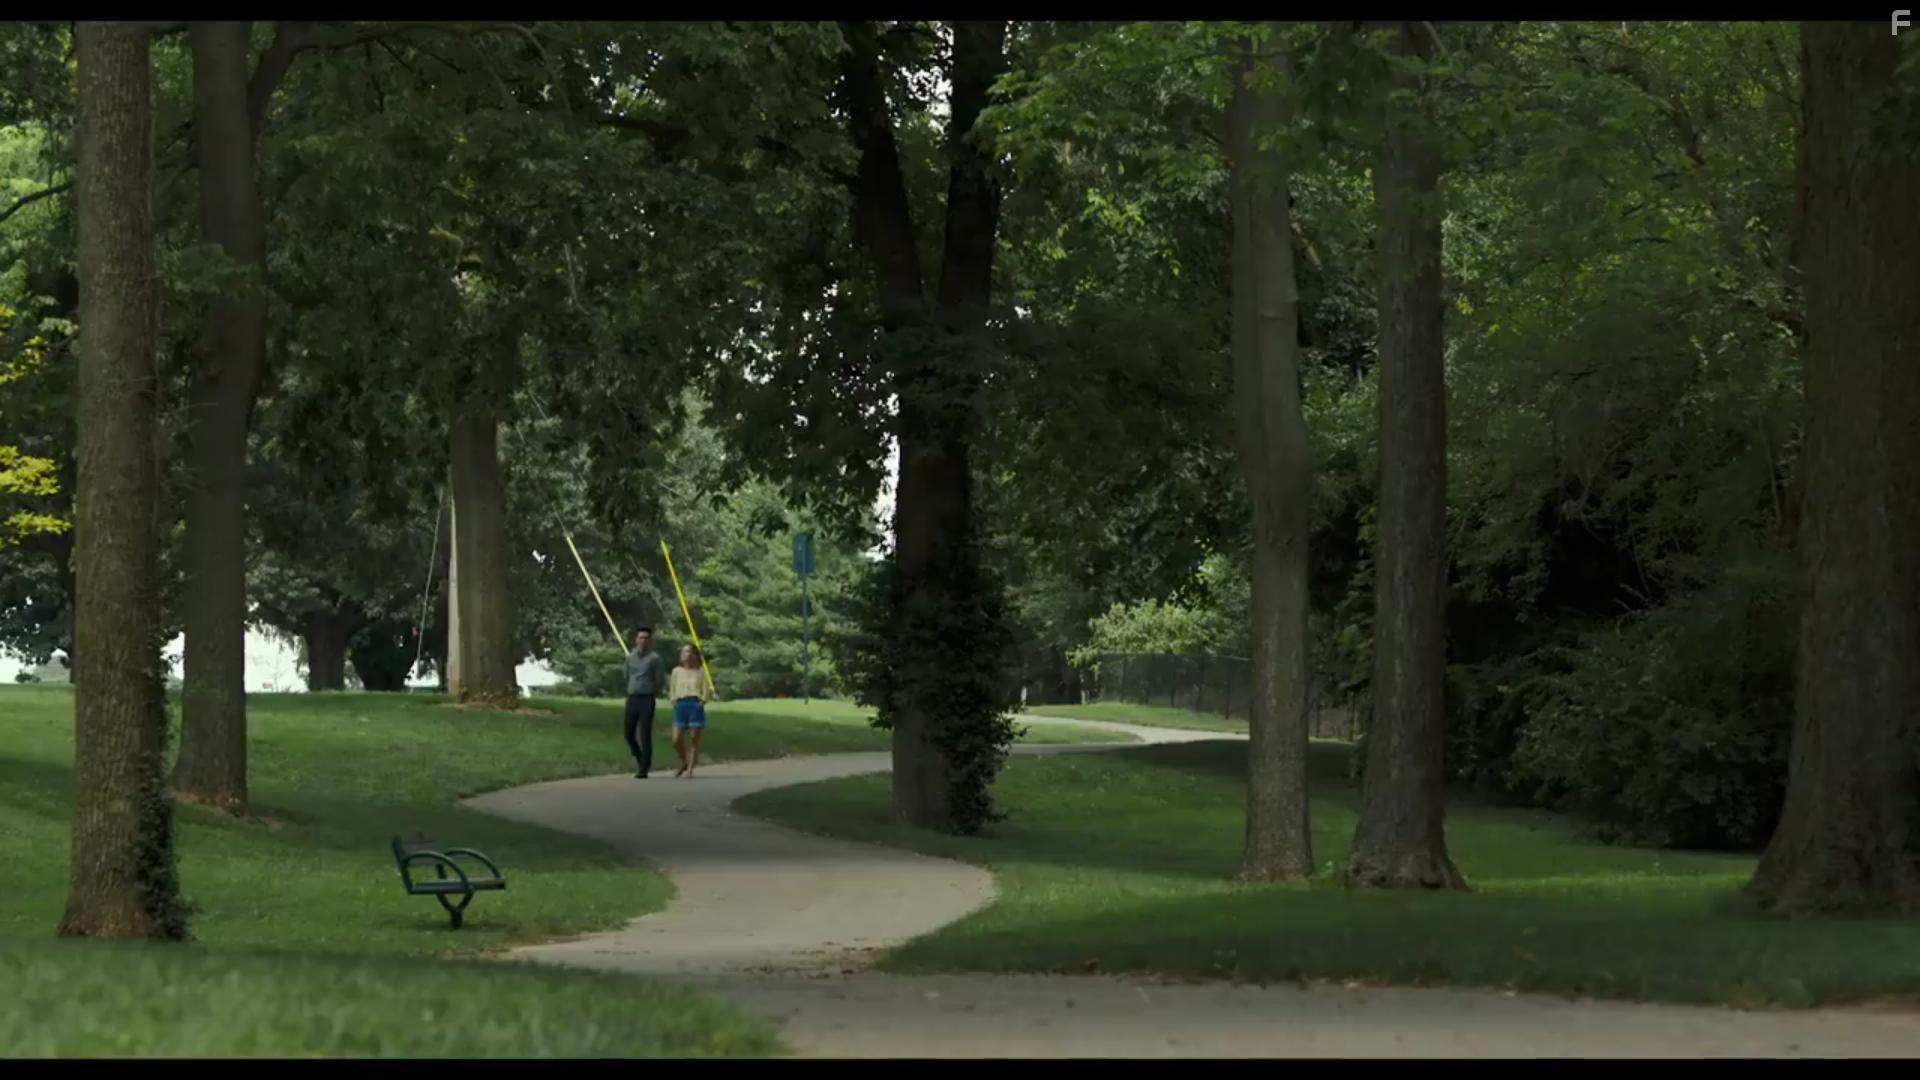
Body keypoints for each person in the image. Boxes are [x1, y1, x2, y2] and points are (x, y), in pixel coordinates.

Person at [623, 627, 666, 778]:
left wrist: (652, 690)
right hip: (633, 697)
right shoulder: (630, 657)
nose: (643, 641)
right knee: (628, 732)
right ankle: (639, 756)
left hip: (647, 698)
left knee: (644, 733)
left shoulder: (654, 658)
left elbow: (660, 679)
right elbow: (627, 675)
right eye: (640, 637)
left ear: (650, 641)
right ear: (636, 640)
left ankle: (644, 769)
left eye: (646, 638)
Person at [669, 644, 711, 778]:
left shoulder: (700, 672)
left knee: (694, 739)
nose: (685, 654)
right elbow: (672, 688)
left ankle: (690, 770)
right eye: (683, 652)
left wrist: (701, 702)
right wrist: (674, 701)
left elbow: (706, 690)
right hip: (681, 704)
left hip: (695, 704)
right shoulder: (676, 671)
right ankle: (684, 761)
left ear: (694, 655)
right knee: (676, 740)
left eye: (688, 652)